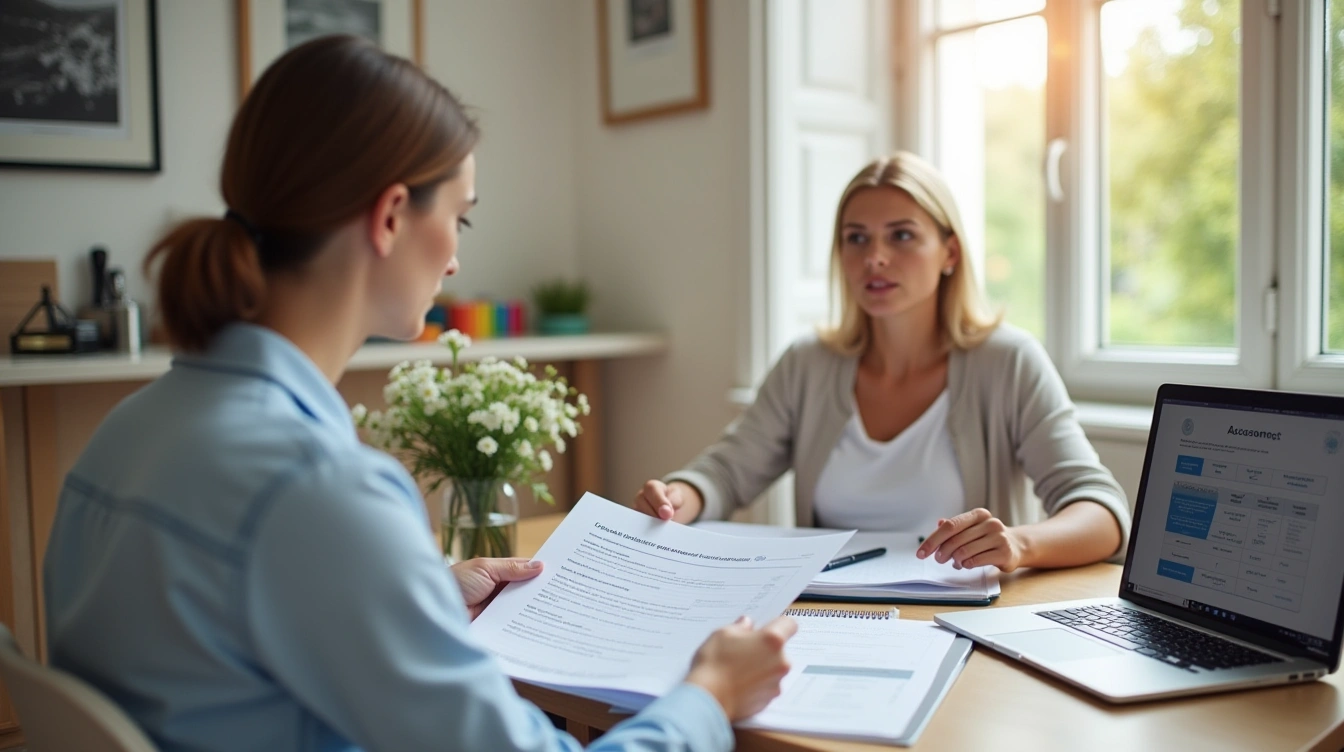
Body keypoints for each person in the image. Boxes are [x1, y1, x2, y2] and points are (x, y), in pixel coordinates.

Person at [43, 36, 794, 752]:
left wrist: (416, 594)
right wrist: (710, 696)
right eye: (459, 218)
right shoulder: (321, 488)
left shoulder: (126, 432)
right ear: (392, 215)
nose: (459, 260)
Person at [633, 152, 1131, 572]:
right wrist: (679, 497)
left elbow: (1102, 514)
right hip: (831, 618)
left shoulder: (1009, 362)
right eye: (856, 238)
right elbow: (725, 474)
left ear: (949, 252)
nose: (875, 257)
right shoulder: (807, 365)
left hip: (961, 622)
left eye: (902, 236)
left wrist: (1020, 545)